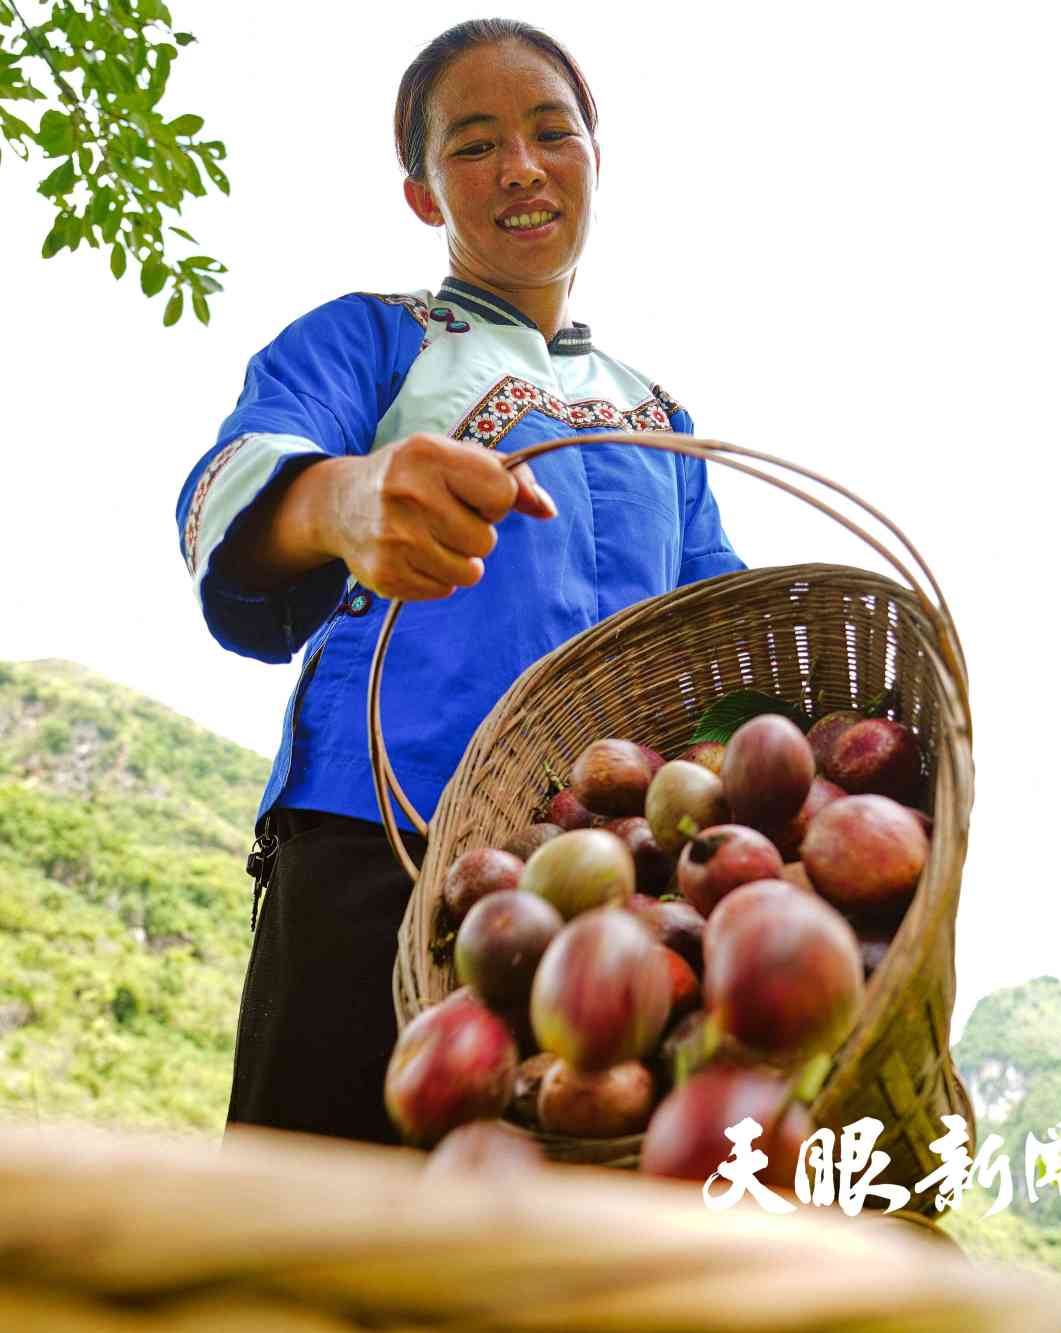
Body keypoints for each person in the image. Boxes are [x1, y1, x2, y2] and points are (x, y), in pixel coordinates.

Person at [174, 18, 745, 1146]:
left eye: (550, 131)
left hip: (602, 895)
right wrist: (338, 499)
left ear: (593, 159)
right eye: (474, 144)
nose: (521, 167)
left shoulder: (660, 417)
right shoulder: (369, 342)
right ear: (423, 195)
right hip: (370, 846)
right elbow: (228, 482)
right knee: (311, 1242)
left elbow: (720, 645)